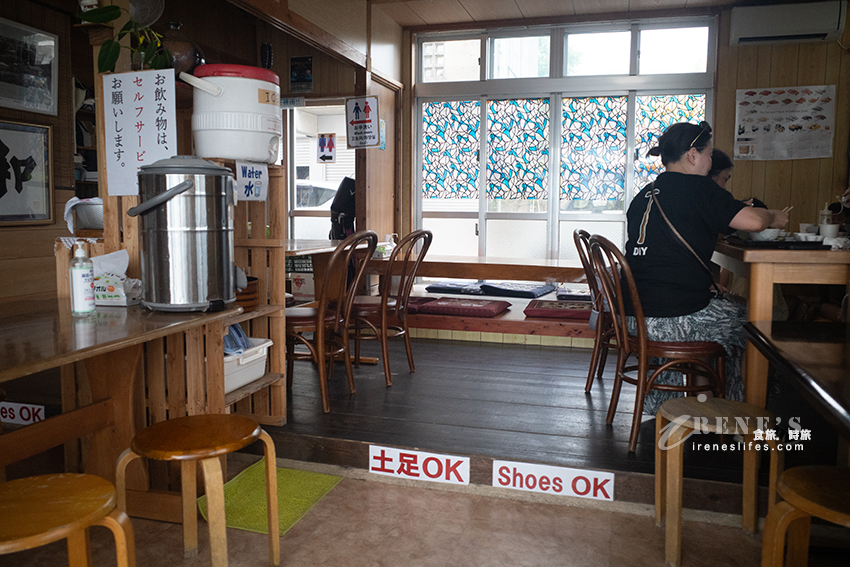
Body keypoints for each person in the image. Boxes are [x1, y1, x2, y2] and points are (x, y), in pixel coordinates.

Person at [625, 121, 789, 415]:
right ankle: (742, 413)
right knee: (758, 324)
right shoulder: (698, 186)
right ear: (692, 155)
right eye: (710, 154)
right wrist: (772, 216)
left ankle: (695, 400)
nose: (711, 161)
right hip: (678, 318)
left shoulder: (643, 195)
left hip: (635, 318)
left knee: (722, 308)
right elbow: (754, 222)